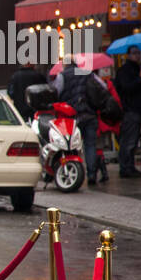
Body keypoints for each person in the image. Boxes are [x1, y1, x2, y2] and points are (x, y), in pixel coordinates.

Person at [51, 55, 101, 186]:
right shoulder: (87, 73)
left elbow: (55, 92)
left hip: (71, 116)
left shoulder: (62, 76)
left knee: (70, 145)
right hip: (89, 114)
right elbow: (103, 87)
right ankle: (91, 175)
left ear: (65, 64)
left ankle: (73, 172)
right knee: (90, 145)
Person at [114, 52, 141, 178]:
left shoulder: (136, 69)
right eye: (134, 53)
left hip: (136, 109)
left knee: (132, 140)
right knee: (128, 140)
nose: (137, 56)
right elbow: (126, 88)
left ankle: (130, 166)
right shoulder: (125, 71)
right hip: (129, 110)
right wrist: (140, 78)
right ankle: (125, 167)